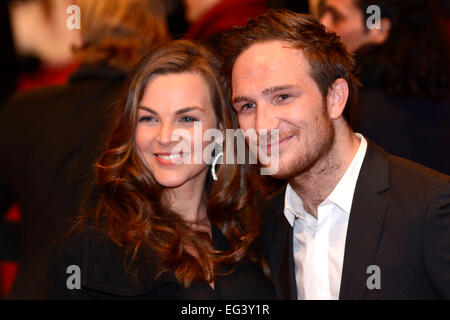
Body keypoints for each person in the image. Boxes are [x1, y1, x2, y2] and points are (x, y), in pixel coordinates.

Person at [221, 9, 450, 299]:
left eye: (283, 97)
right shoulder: (265, 225)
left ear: (335, 98)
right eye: (247, 107)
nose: (262, 125)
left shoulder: (431, 208)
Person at [47, 40, 275, 299]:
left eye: (186, 119)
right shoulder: (85, 254)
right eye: (149, 118)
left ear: (221, 129)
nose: (165, 137)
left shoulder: (261, 233)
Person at [0, 0, 169, 299]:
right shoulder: (169, 116)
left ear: (81, 32)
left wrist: (30, 243)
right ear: (156, 25)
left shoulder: (23, 111)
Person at [319, 0, 450, 174]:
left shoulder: (348, 105)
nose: (322, 24)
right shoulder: (435, 84)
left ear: (378, 29)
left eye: (336, 17)